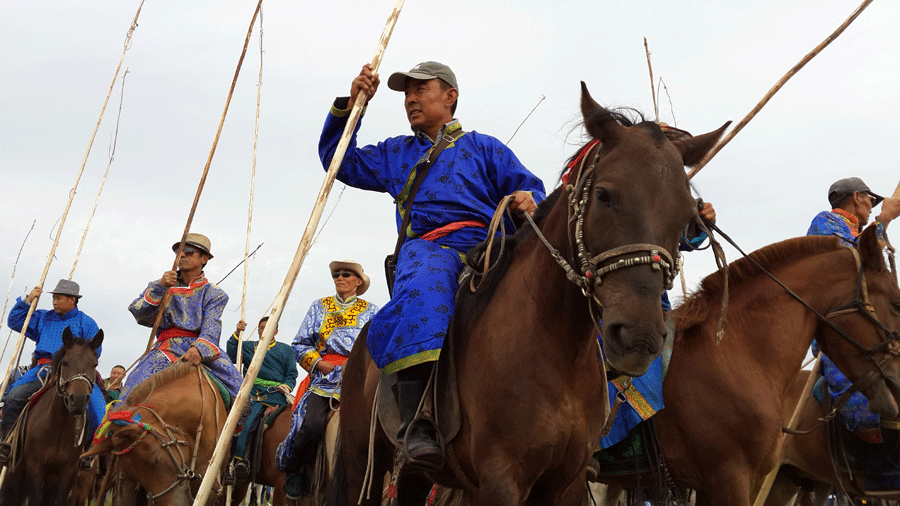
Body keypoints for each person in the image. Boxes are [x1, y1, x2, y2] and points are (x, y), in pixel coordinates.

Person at [318, 61, 545, 469]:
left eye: (421, 90)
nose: (411, 99)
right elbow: (339, 161)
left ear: (450, 96)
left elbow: (529, 187)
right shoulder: (395, 153)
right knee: (426, 285)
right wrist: (351, 107)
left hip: (489, 242)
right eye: (407, 93)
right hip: (429, 247)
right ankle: (417, 419)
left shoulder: (484, 147)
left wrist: (528, 198)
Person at [806, 177, 900, 489]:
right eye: (871, 201)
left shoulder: (853, 230)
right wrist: (883, 220)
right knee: (868, 387)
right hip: (839, 333)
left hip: (864, 329)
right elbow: (852, 262)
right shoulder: (826, 223)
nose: (872, 208)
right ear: (857, 197)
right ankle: (876, 466)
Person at [277, 260, 379, 498]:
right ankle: (298, 471)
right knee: (311, 424)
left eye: (346, 274)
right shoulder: (318, 307)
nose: (339, 278)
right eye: (336, 275)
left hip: (361, 378)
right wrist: (319, 364)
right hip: (326, 378)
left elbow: (377, 344)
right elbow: (300, 343)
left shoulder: (373, 311)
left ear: (358, 281)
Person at [120, 233, 242, 405]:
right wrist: (159, 288)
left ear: (204, 259)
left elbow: (211, 327)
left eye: (189, 250)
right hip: (166, 347)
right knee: (131, 390)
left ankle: (234, 432)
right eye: (178, 251)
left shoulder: (214, 293)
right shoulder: (160, 285)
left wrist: (199, 349)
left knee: (241, 396)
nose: (182, 255)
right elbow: (140, 314)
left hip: (201, 346)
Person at [0, 279, 105, 456]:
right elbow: (15, 321)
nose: (54, 302)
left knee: (98, 411)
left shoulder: (86, 323)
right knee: (13, 397)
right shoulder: (42, 317)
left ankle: (90, 452)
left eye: (59, 298)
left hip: (75, 371)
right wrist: (27, 300)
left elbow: (95, 350)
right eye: (53, 298)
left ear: (72, 299)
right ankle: (7, 443)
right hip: (42, 369)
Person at [226, 316, 298, 479]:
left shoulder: (285, 350)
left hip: (276, 396)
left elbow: (292, 374)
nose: (264, 330)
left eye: (269, 327)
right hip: (253, 395)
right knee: (243, 422)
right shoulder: (249, 347)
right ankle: (236, 460)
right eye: (261, 327)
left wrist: (286, 386)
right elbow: (231, 354)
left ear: (276, 331)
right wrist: (237, 333)